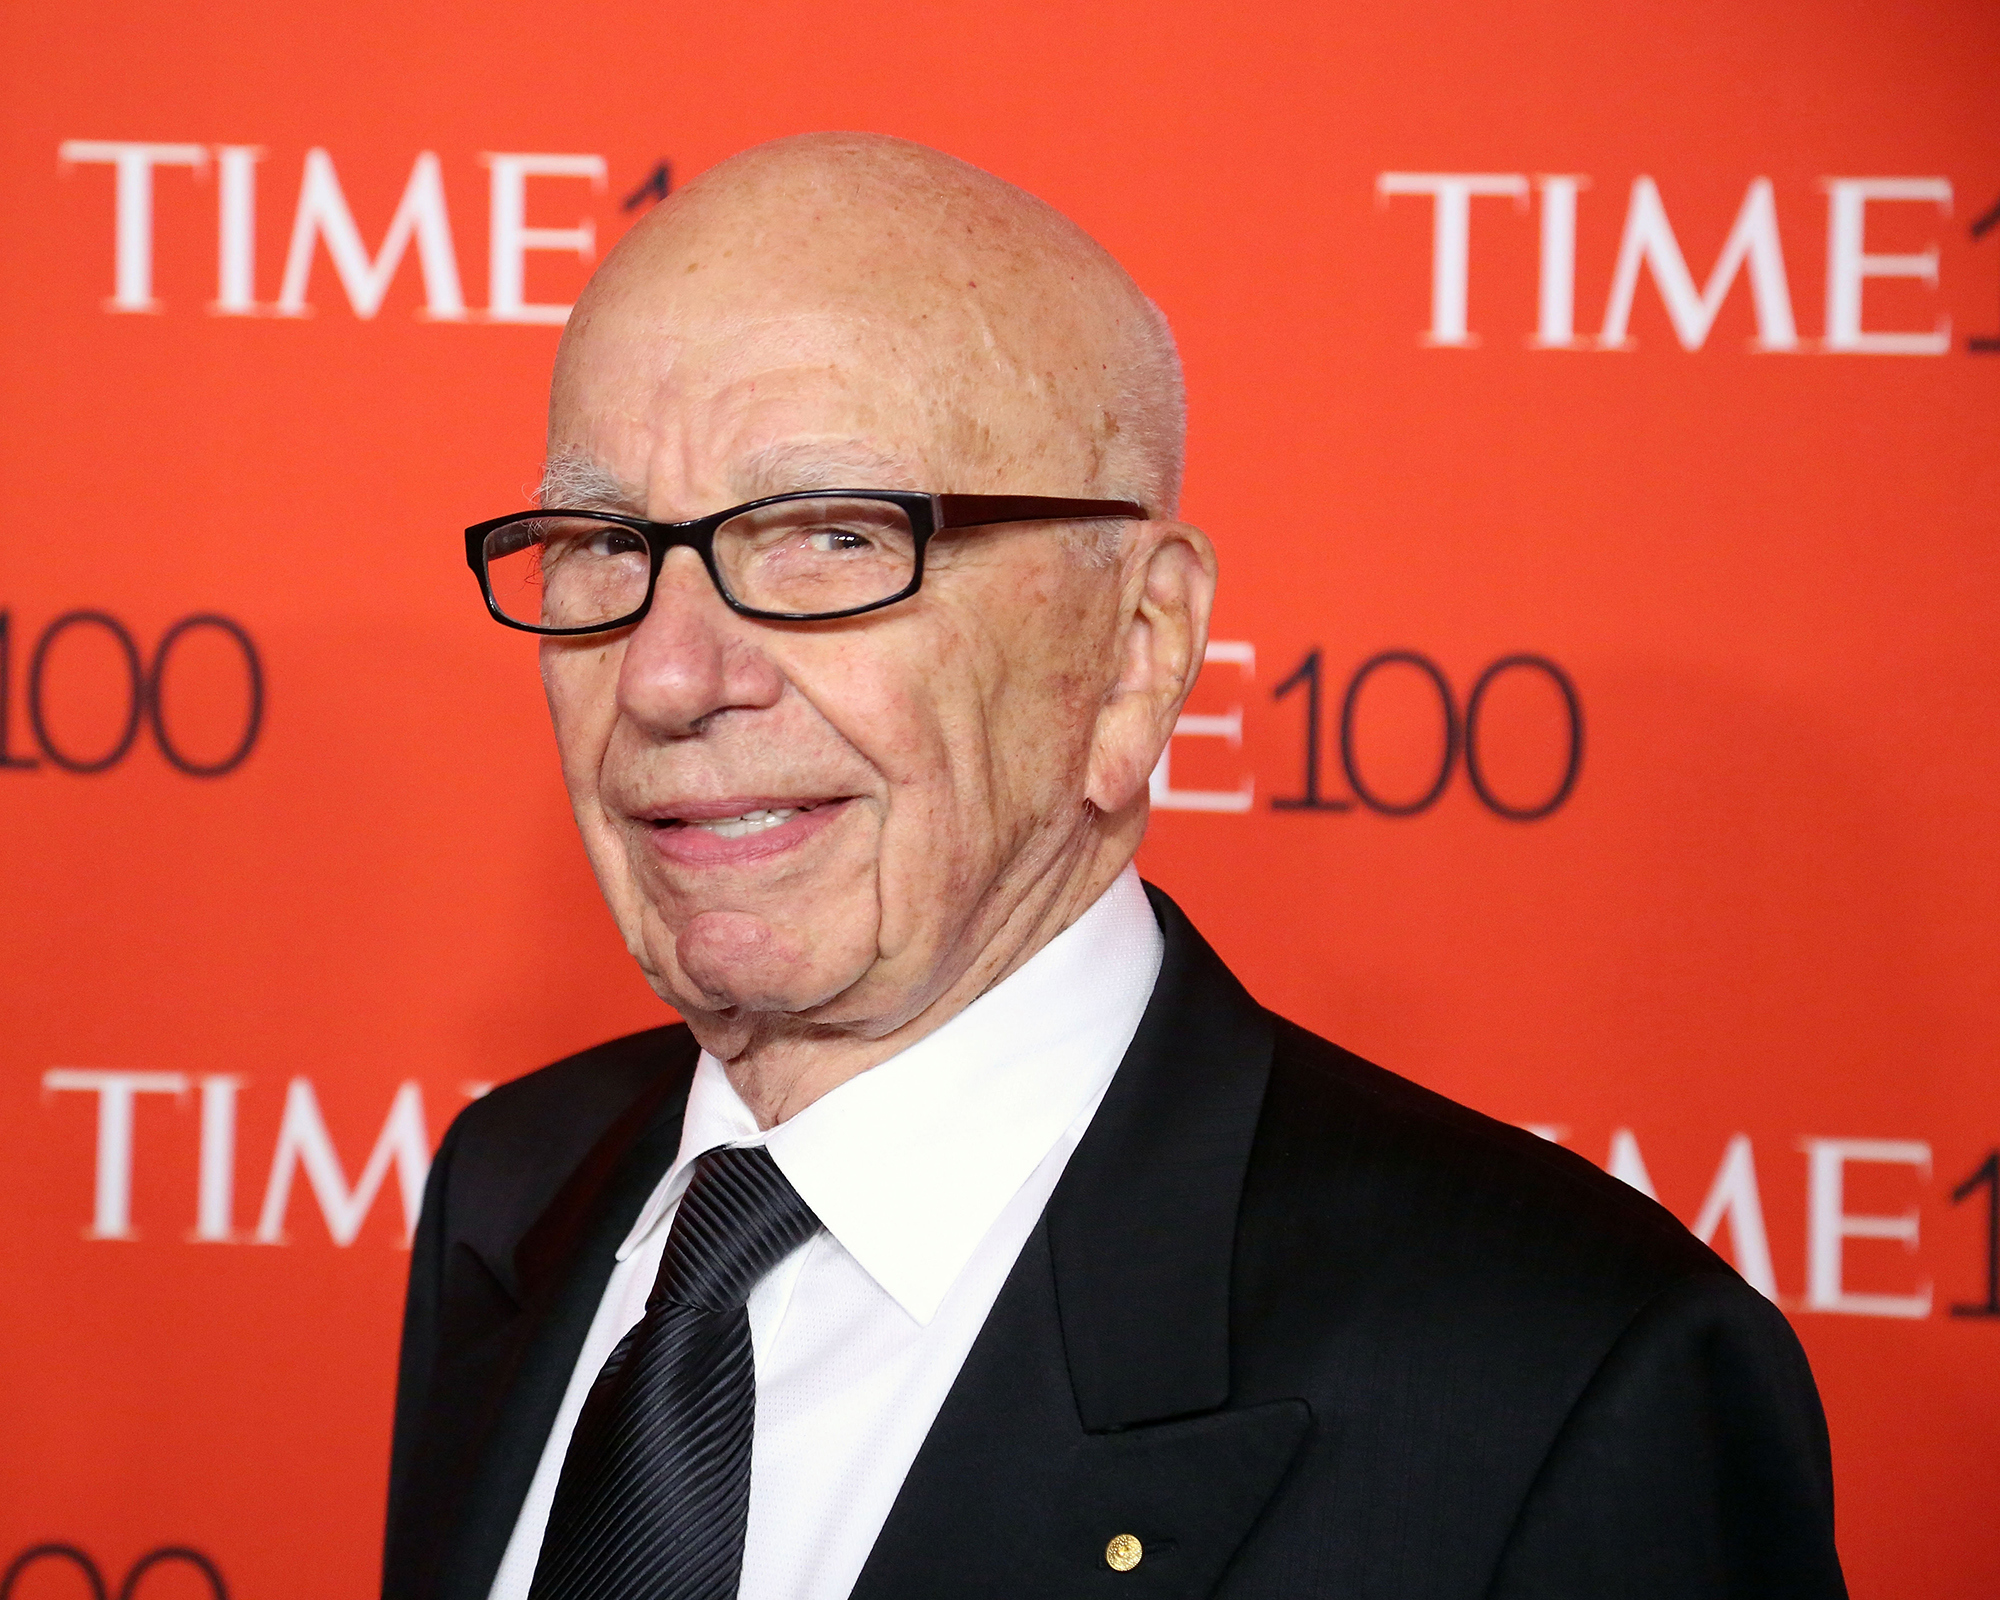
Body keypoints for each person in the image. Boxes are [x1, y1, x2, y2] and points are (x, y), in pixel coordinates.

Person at [384, 133, 1845, 1600]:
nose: (667, 672)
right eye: (597, 542)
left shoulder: (1559, 1377)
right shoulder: (517, 1192)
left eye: (831, 536)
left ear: (1135, 659)